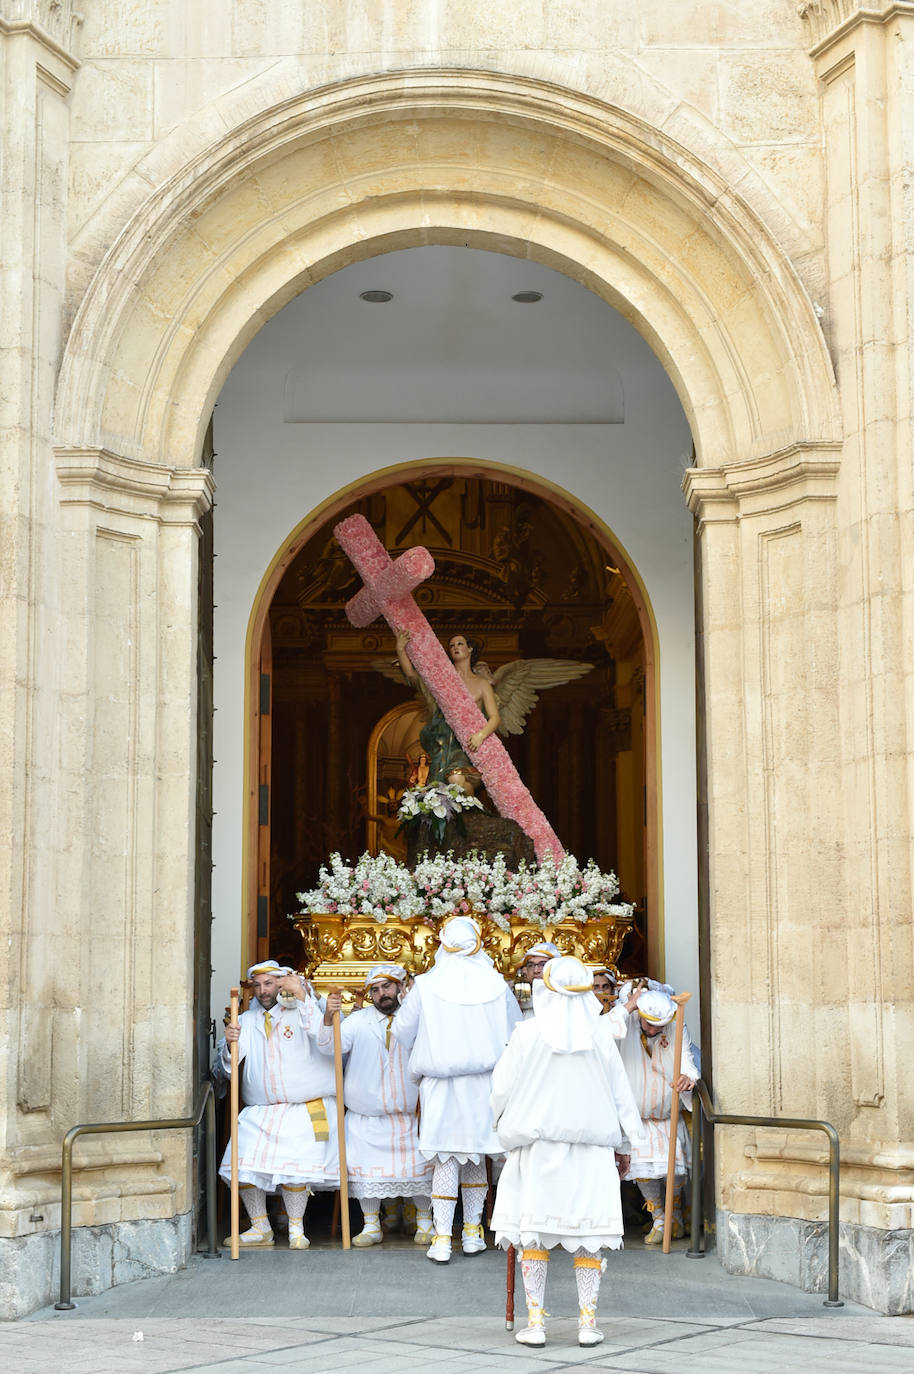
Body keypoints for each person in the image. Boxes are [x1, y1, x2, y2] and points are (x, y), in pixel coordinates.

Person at [490, 956, 645, 1348]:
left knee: (535, 1237)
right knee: (587, 1236)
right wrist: (625, 1143)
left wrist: (499, 1127)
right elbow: (620, 1095)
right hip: (591, 1152)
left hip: (538, 1148)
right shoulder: (599, 1038)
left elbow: (500, 1091)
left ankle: (536, 1323)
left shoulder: (526, 1034)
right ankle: (587, 1323)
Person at [390, 915, 523, 1262]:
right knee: (476, 1157)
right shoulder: (496, 984)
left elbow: (402, 1030)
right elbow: (515, 1033)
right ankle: (472, 1234)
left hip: (441, 1084)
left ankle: (442, 1238)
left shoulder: (427, 985)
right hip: (484, 1083)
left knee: (446, 1159)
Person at [218, 960, 338, 1249]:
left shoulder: (303, 1010)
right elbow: (229, 1068)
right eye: (257, 985)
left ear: (280, 983)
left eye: (268, 983)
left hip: (303, 1107)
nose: (263, 990)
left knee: (295, 1168)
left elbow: (325, 1040)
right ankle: (261, 1227)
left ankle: (297, 1229)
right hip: (261, 1110)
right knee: (241, 1161)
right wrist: (229, 1044)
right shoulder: (245, 1019)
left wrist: (302, 995)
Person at [319, 963, 434, 1247]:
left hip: (411, 1115)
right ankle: (371, 1225)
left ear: (400, 987)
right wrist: (327, 1018)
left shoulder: (419, 1018)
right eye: (375, 990)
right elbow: (327, 1048)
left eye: (387, 987)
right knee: (366, 1172)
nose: (382, 994)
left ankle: (425, 1223)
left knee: (418, 1170)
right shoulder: (358, 1022)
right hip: (366, 1116)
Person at [616, 986, 699, 1243]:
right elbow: (600, 1034)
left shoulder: (677, 1024)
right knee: (642, 1169)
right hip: (635, 1117)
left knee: (673, 1169)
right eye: (648, 1024)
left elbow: (687, 1061)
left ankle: (674, 1216)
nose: (652, 1030)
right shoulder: (625, 1021)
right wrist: (626, 1007)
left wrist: (689, 1077)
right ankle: (659, 1217)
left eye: (658, 1027)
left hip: (665, 1114)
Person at [396, 629, 500, 788]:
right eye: (451, 646)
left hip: (466, 743)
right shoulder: (442, 679)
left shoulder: (481, 683)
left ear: (470, 649)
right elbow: (411, 675)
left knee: (456, 779)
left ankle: (468, 810)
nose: (455, 647)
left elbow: (495, 717)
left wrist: (481, 735)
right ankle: (463, 810)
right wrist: (400, 649)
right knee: (442, 785)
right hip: (442, 739)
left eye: (460, 644)